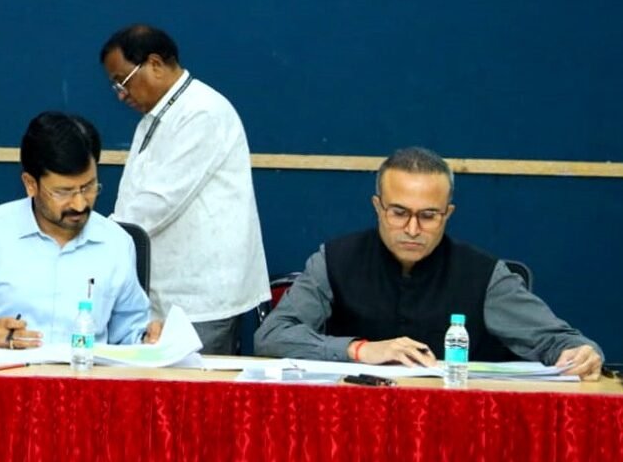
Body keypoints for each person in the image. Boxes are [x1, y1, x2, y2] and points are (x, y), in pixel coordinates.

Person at [255, 147, 605, 378]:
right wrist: (359, 350)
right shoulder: (333, 260)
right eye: (399, 213)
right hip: (353, 422)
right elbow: (271, 336)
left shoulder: (484, 276)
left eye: (427, 216)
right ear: (378, 207)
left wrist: (581, 354)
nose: (412, 229)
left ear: (447, 214)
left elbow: (562, 341)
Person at [100, 23, 269, 355]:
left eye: (123, 81)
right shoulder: (160, 114)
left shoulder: (202, 112)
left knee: (193, 385)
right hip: (164, 293)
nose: (121, 94)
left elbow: (158, 202)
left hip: (199, 299)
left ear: (155, 64)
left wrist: (98, 238)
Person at [0, 112, 150, 348]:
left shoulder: (117, 243)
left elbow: (130, 335)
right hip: (9, 370)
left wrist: (148, 339)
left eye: (88, 187)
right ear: (30, 184)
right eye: (63, 192)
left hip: (84, 369)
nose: (79, 204)